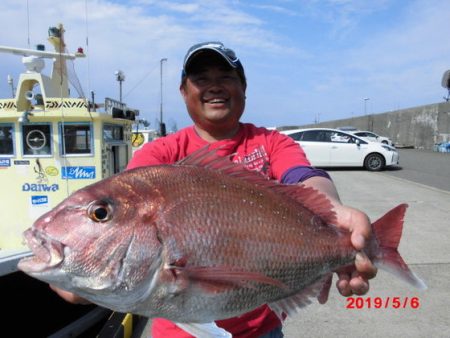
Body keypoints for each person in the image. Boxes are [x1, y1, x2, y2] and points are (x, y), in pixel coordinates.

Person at [52, 41, 377, 337]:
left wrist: (333, 213)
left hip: (262, 329)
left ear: (244, 88)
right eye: (201, 78)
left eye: (226, 76)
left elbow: (303, 176)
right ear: (183, 91)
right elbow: (127, 217)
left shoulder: (272, 143)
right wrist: (84, 264)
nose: (214, 87)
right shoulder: (160, 155)